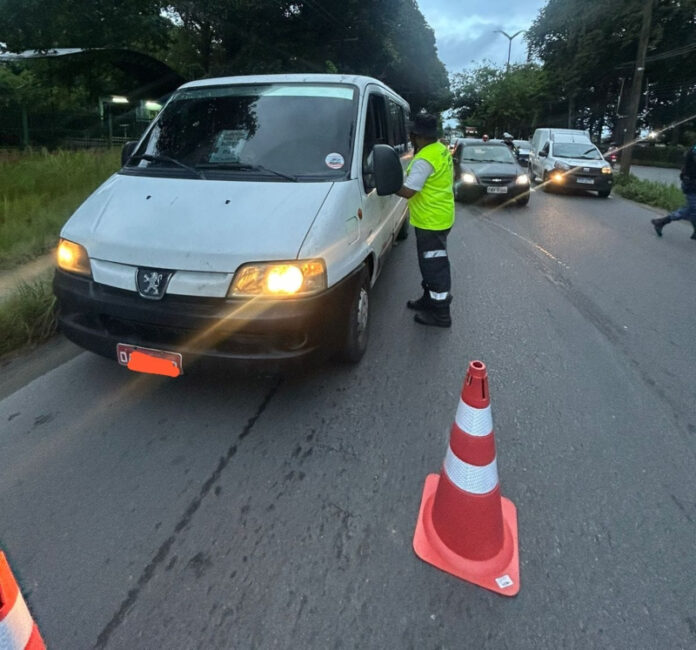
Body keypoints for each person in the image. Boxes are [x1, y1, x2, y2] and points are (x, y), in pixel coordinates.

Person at [395, 113, 455, 328]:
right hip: (439, 216)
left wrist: (390, 184)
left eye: (413, 134)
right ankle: (428, 299)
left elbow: (408, 191)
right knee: (429, 263)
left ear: (417, 135)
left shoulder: (424, 159)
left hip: (431, 221)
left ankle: (441, 314)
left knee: (434, 266)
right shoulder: (439, 149)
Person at [651, 142, 696, 240]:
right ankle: (661, 222)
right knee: (693, 210)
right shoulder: (695, 149)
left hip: (691, 183)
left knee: (691, 210)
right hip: (691, 185)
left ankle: (661, 222)